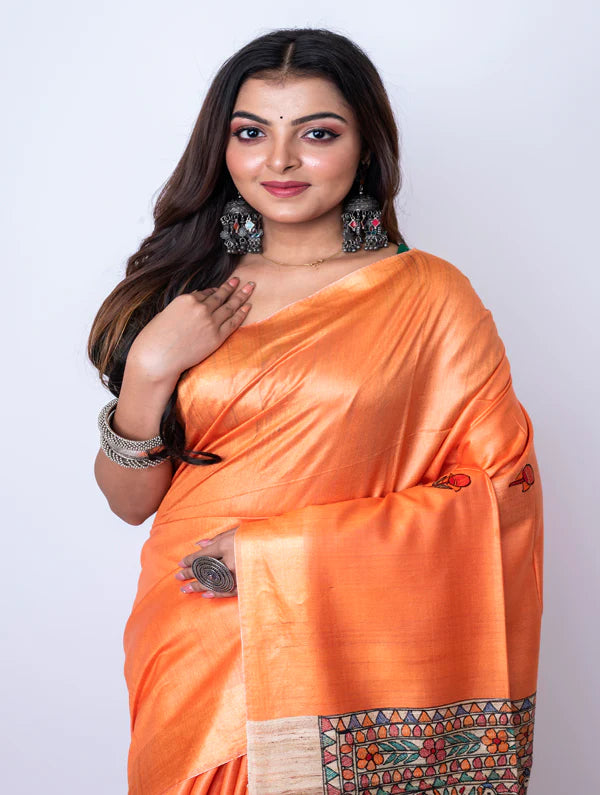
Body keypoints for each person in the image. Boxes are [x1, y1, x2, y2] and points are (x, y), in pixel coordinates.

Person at [88, 27, 544, 795]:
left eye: (317, 134)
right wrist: (150, 367)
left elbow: (501, 493)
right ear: (222, 147)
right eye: (251, 133)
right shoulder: (186, 292)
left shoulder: (428, 296)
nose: (279, 161)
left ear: (365, 148)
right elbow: (131, 502)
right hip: (193, 634)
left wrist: (283, 554)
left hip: (342, 642)